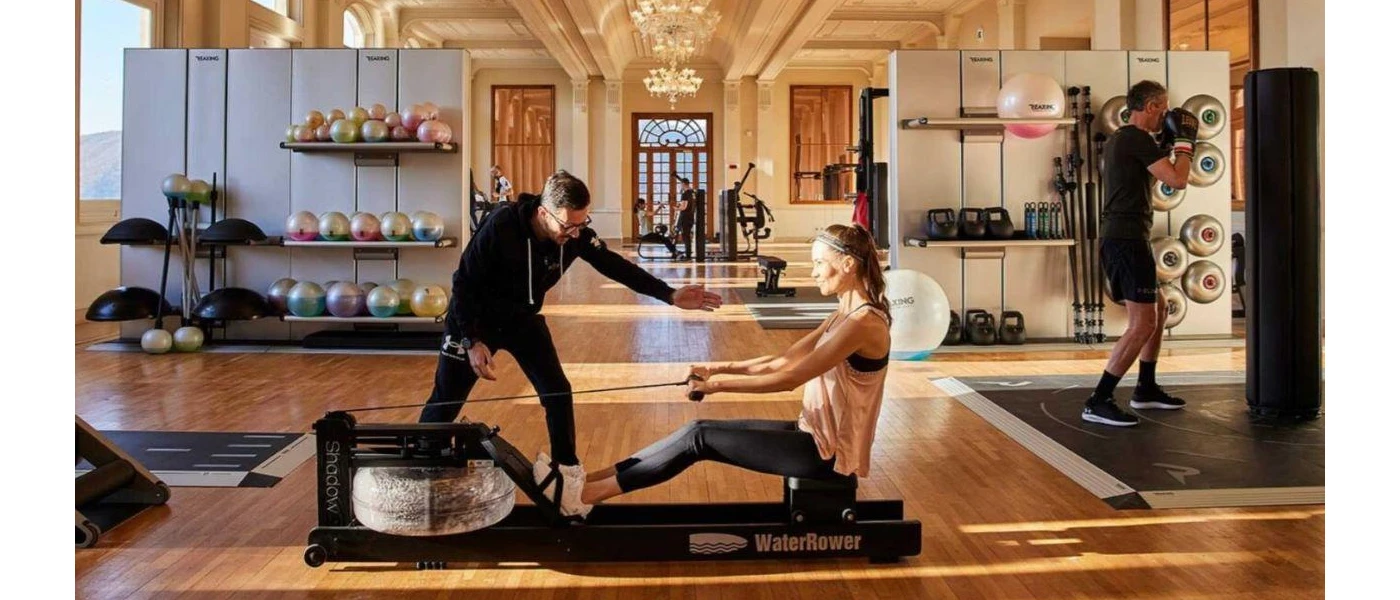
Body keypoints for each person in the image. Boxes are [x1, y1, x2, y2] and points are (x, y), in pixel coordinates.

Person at [422, 170, 723, 516]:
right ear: (543, 213)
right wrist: (471, 340)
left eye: (582, 224)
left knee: (557, 392)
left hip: (521, 320)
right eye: (568, 225)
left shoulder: (574, 235)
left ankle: (567, 475)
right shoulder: (501, 225)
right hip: (474, 321)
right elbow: (463, 283)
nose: (575, 233)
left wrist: (669, 294)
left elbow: (616, 266)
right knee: (446, 400)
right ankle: (414, 468)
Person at [567, 224, 891, 516]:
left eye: (819, 263)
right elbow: (782, 361)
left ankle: (585, 496)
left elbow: (790, 379)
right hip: (811, 433)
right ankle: (587, 483)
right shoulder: (842, 315)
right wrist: (715, 368)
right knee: (697, 427)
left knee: (699, 439)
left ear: (847, 264)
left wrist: (716, 386)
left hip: (827, 454)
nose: (814, 272)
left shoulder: (864, 323)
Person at [1086, 80, 1197, 427]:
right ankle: (1098, 400)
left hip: (1130, 237)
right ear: (1150, 106)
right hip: (1125, 240)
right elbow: (1177, 180)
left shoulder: (1128, 139)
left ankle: (1146, 388)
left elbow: (1155, 169)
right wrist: (1185, 143)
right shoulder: (1134, 138)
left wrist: (1168, 143)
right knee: (1143, 323)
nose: (1165, 114)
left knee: (1159, 309)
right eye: (1162, 108)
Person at [673, 178, 697, 256]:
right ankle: (688, 252)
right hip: (691, 216)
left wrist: (676, 208)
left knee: (685, 235)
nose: (680, 186)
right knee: (687, 235)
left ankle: (687, 253)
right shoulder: (693, 193)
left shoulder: (685, 194)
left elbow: (684, 207)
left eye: (680, 184)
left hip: (685, 217)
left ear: (683, 184)